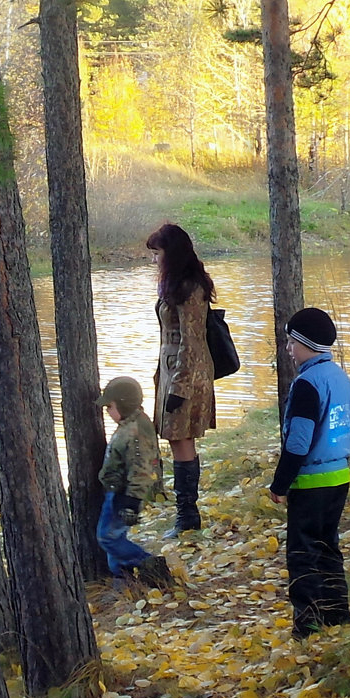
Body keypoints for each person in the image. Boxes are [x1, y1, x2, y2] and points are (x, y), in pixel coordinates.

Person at [269, 307, 350, 639]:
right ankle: (338, 614)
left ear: (307, 343)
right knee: (328, 548)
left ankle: (309, 625)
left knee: (303, 555)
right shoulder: (338, 375)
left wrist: (280, 483)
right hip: (339, 477)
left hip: (312, 480)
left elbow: (299, 442)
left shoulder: (307, 384)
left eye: (292, 342)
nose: (289, 348)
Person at [145, 223, 216, 539]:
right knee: (177, 440)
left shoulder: (190, 288)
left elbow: (192, 340)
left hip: (186, 374)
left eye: (157, 253)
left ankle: (187, 517)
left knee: (182, 439)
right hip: (173, 372)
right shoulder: (175, 285)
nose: (154, 260)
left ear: (170, 253)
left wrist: (179, 387)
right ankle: (185, 515)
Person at [95, 376, 172, 587]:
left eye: (110, 407)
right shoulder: (130, 424)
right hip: (116, 490)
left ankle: (148, 563)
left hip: (124, 494)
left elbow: (141, 470)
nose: (108, 412)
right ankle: (123, 580)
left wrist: (131, 502)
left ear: (123, 404)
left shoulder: (136, 432)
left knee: (107, 537)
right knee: (115, 535)